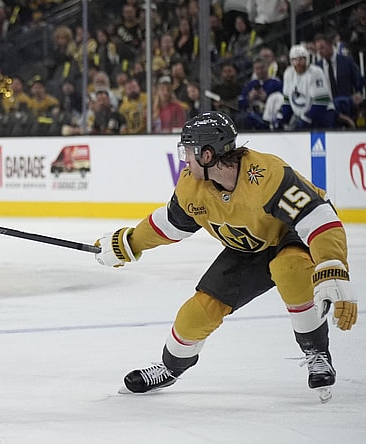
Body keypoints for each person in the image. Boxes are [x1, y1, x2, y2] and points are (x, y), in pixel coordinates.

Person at [94, 111, 357, 402]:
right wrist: (130, 242)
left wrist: (332, 263)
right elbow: (171, 224)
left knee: (290, 268)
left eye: (189, 152)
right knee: (197, 313)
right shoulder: (192, 186)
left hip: (290, 236)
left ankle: (316, 351)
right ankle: (169, 368)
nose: (185, 159)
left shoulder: (267, 175)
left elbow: (318, 218)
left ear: (208, 155)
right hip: (249, 247)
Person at [273, 44, 337, 130]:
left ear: (307, 59)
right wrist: (282, 119)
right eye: (295, 60)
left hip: (322, 116)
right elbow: (288, 101)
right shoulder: (288, 73)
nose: (298, 63)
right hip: (302, 117)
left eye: (301, 59)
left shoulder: (315, 72)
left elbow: (321, 102)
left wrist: (306, 119)